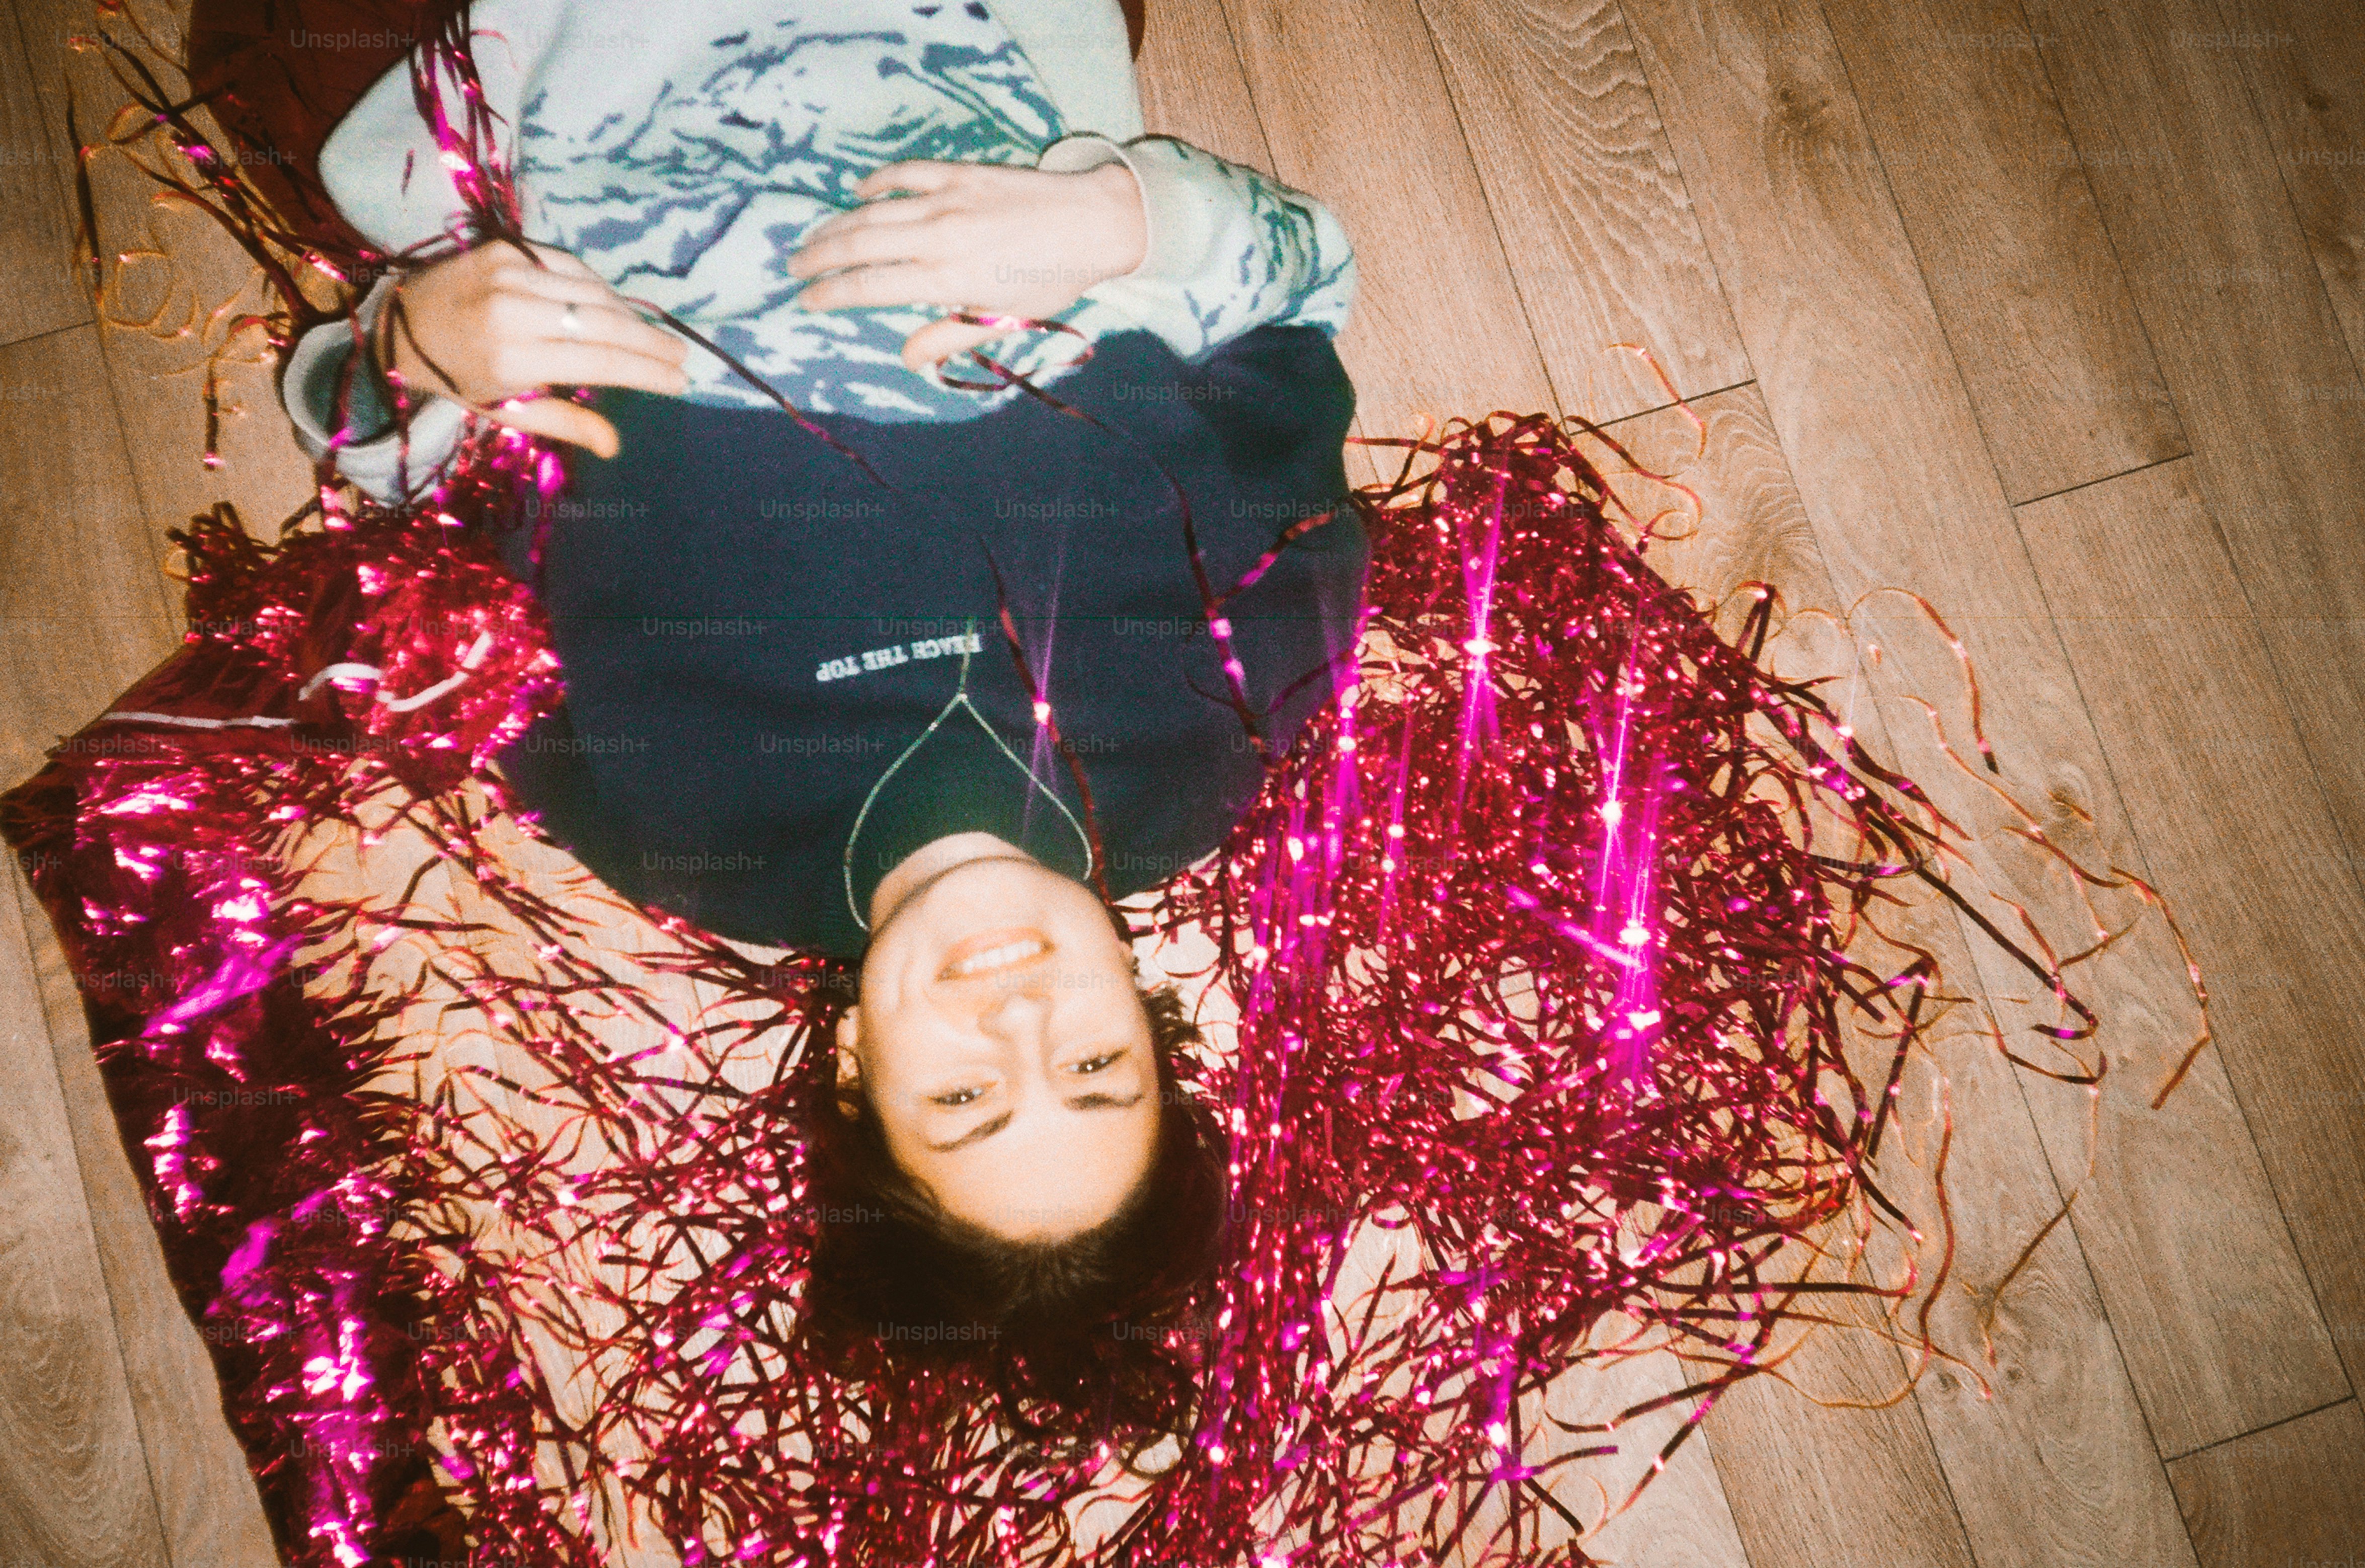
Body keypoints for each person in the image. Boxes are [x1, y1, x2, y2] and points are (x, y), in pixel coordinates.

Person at [268, 0, 1367, 1417]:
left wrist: (411, 350)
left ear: (851, 1076)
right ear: (1156, 1024)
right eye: (1096, 1066)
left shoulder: (682, 825)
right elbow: (1300, 289)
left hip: (590, 68)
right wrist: (1118, 223)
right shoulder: (1231, 720)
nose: (1017, 1017)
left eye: (962, 1101)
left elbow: (407, 511)